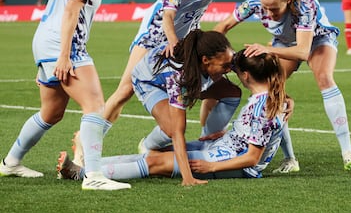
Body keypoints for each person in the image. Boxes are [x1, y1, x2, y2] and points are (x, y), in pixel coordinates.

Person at [69, 0, 259, 167]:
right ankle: (85, 147)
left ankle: (172, 142)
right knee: (124, 91)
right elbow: (168, 15)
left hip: (186, 40)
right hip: (156, 35)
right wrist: (173, 43)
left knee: (200, 86)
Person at [0, 0, 132, 191]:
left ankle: (11, 162)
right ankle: (93, 175)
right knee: (95, 104)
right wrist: (63, 56)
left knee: (51, 113)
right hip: (62, 45)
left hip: (44, 41)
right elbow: (72, 10)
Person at [57, 49, 291, 182]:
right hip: (223, 147)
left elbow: (252, 158)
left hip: (230, 162)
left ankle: (82, 173)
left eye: (235, 71)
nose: (230, 73)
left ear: (246, 75)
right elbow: (261, 134)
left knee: (155, 162)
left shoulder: (263, 107)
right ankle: (91, 165)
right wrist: (225, 134)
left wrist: (210, 168)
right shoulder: (270, 98)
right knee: (157, 153)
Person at [214, 0, 351, 172]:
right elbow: (223, 26)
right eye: (265, 8)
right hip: (283, 41)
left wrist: (268, 50)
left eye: (274, 9)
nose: (268, 13)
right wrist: (209, 51)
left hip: (317, 38)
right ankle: (290, 160)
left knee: (324, 78)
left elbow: (302, 51)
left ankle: (348, 153)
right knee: (269, 91)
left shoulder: (304, 5)